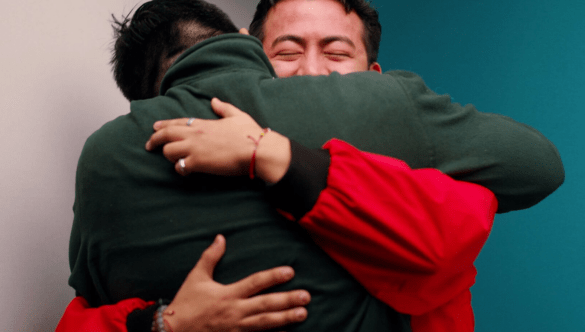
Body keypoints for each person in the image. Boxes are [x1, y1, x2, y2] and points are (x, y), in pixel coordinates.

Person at [57, 0, 564, 331]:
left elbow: (476, 211)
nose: (312, 71)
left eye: (337, 53)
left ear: (373, 76)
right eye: (287, 50)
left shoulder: (397, 119)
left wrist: (274, 154)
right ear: (248, 51)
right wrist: (167, 323)